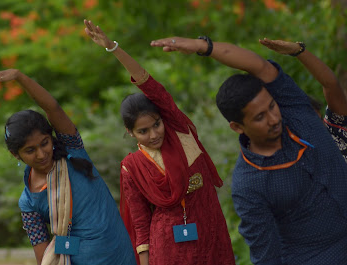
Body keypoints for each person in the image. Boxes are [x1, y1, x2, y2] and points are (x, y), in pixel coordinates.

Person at [150, 36, 347, 264]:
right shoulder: (248, 186)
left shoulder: (294, 107)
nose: (274, 119)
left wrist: (204, 46)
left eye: (272, 107)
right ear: (237, 127)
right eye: (260, 117)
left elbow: (259, 66)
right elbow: (266, 256)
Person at [83, 20, 235, 265]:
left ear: (164, 118)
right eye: (143, 131)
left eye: (156, 124)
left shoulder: (180, 133)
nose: (154, 134)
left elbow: (149, 85)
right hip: (167, 247)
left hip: (210, 234)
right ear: (130, 132)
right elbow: (140, 222)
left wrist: (113, 48)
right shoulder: (131, 167)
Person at [0, 70, 136, 265]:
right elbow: (43, 254)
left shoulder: (73, 152)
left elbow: (52, 107)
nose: (41, 154)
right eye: (30, 150)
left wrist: (20, 77)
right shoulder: (28, 201)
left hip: (120, 256)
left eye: (44, 143)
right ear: (16, 154)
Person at [259, 38, 347, 162]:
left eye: (314, 117)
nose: (312, 125)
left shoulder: (336, 130)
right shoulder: (296, 162)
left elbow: (330, 84)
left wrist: (298, 51)